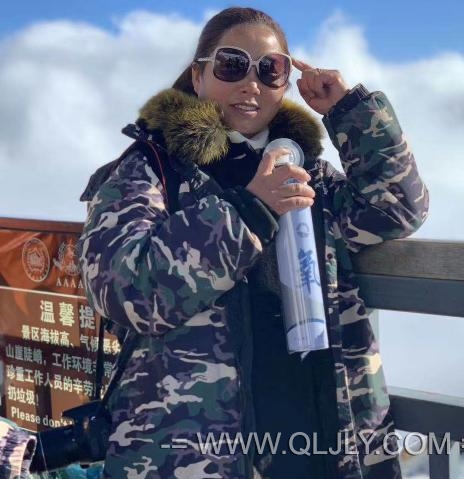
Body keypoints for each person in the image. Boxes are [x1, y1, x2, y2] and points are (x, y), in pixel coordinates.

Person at [78, 6, 429, 479]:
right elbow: (123, 290)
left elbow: (397, 209)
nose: (251, 84)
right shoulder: (150, 169)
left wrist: (350, 111)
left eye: (270, 69)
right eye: (232, 65)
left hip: (319, 434)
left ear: (285, 83)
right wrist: (249, 211)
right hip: (196, 452)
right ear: (199, 76)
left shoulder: (305, 171)